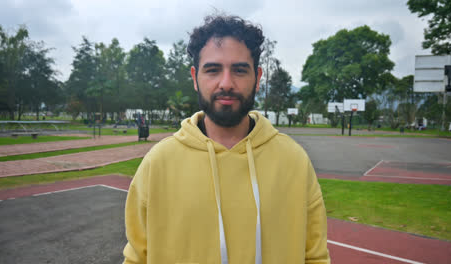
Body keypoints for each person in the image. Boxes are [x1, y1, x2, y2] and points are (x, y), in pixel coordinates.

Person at [123, 15, 330, 264]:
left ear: (258, 77)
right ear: (195, 77)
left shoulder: (294, 161)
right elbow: (136, 258)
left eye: (240, 70)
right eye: (213, 70)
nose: (226, 83)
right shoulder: (157, 164)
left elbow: (315, 257)